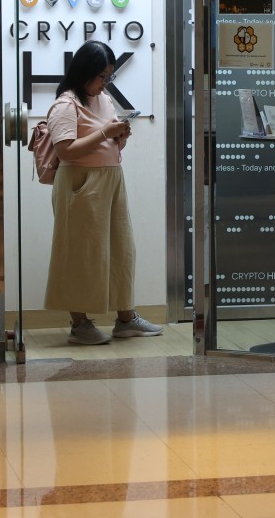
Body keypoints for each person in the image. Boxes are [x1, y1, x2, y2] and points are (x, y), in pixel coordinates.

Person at [44, 40, 164, 345]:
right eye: (102, 77)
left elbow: (102, 140)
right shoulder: (66, 104)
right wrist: (104, 133)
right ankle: (79, 324)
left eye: (109, 76)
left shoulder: (104, 100)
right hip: (81, 183)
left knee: (121, 248)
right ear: (84, 72)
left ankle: (126, 319)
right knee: (80, 253)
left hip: (110, 180)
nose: (106, 83)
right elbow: (65, 150)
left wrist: (118, 138)